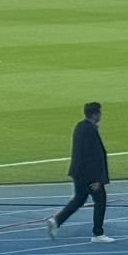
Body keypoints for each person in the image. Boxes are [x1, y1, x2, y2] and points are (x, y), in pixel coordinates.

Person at [47, 101, 113, 242]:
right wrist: (97, 179)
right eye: (99, 112)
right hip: (89, 175)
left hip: (79, 172)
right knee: (100, 201)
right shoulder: (90, 130)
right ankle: (98, 233)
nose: (101, 115)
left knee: (78, 200)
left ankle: (57, 220)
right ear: (95, 114)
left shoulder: (80, 126)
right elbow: (94, 156)